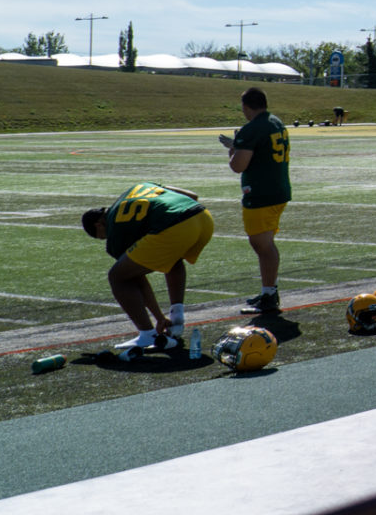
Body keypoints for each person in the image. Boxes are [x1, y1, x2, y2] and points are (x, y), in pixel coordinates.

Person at [82, 181, 215, 356]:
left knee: (118, 276)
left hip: (176, 225)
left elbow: (138, 281)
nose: (104, 239)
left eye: (101, 237)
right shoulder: (138, 188)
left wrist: (159, 317)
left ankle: (147, 334)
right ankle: (177, 318)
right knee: (173, 259)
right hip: (203, 217)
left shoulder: (115, 230)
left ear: (99, 225)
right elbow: (192, 196)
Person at [220, 86, 289, 316]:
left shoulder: (252, 128)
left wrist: (234, 147)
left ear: (247, 106)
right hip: (278, 189)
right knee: (265, 243)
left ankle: (270, 294)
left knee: (262, 245)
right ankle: (269, 291)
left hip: (261, 193)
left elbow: (237, 166)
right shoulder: (276, 122)